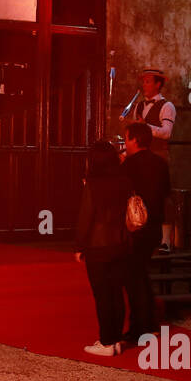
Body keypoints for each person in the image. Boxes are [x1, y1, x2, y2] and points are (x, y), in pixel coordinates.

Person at [74, 139, 136, 356]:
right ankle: (117, 339)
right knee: (117, 294)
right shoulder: (125, 181)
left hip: (98, 246)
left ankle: (106, 341)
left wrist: (80, 246)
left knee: (102, 296)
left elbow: (86, 217)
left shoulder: (92, 184)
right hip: (121, 244)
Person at [122, 122, 170, 342]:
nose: (125, 143)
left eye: (126, 138)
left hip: (136, 227)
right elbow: (166, 193)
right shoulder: (161, 163)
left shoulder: (129, 165)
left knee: (133, 277)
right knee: (141, 274)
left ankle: (140, 327)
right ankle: (150, 323)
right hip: (154, 227)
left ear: (135, 140)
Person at [122, 66, 177, 251]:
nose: (144, 85)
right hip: (140, 155)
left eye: (147, 81)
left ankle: (166, 241)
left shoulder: (167, 106)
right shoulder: (138, 105)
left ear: (158, 84)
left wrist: (146, 128)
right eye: (143, 81)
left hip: (158, 155)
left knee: (161, 195)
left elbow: (167, 133)